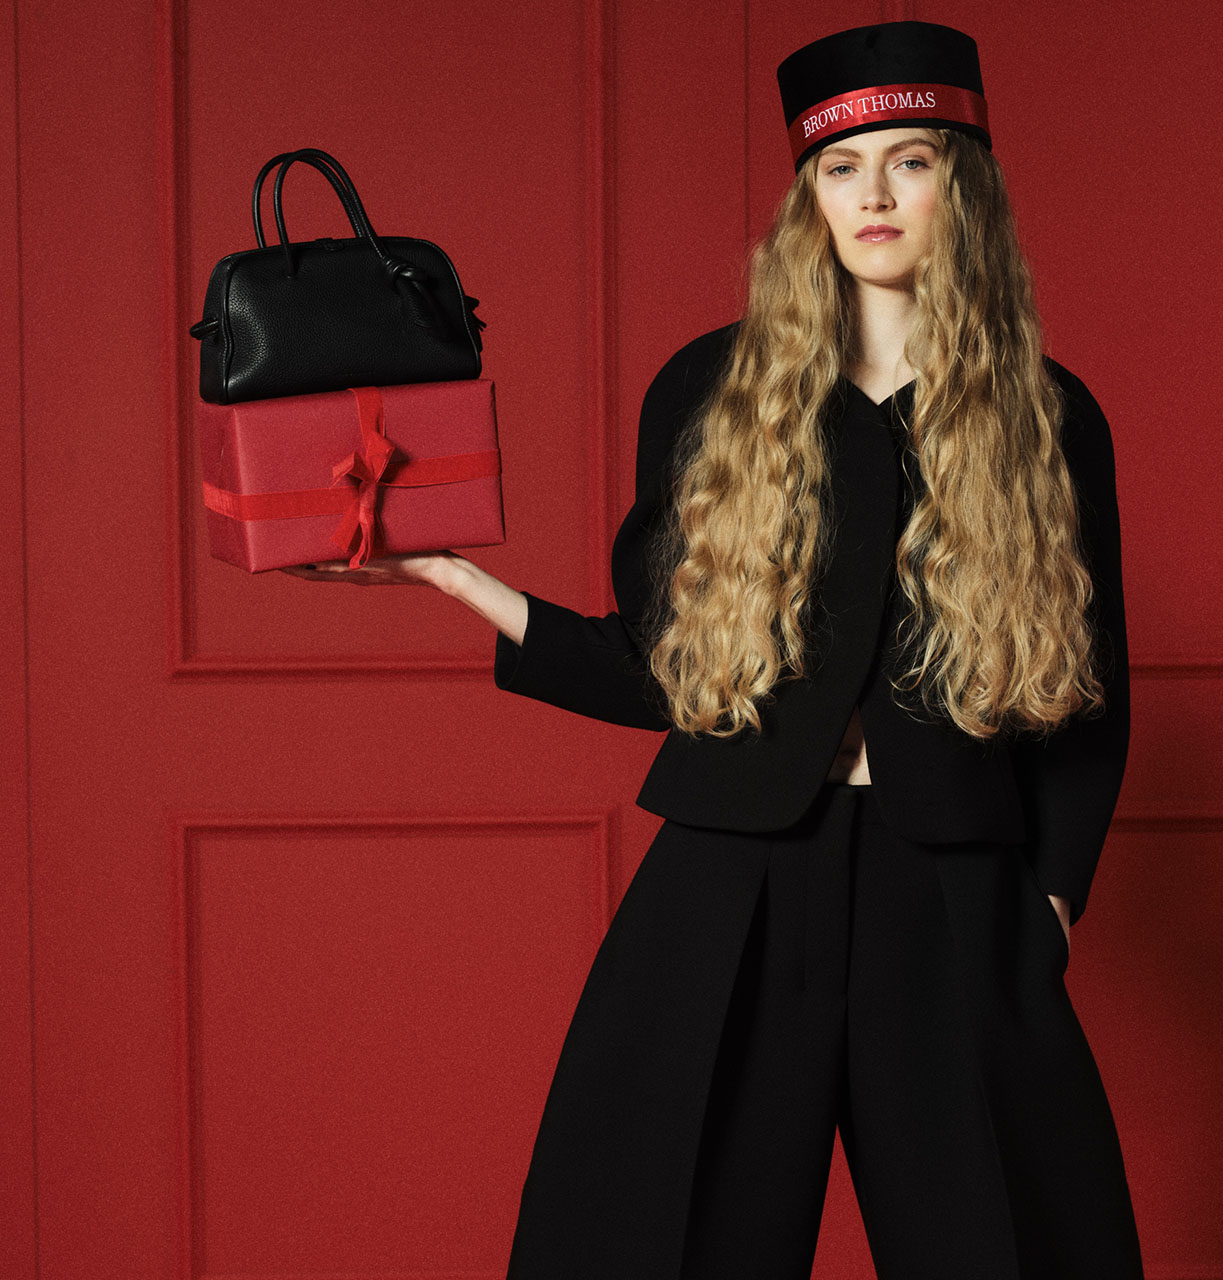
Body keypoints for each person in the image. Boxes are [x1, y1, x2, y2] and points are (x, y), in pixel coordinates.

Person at [288, 19, 1145, 1280]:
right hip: (733, 878)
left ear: (959, 189)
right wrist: (452, 577)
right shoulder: (709, 393)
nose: (872, 196)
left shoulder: (1051, 416)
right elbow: (663, 672)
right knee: (654, 1234)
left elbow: (1088, 700)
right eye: (841, 167)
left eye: (908, 162)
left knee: (1011, 1244)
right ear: (808, 198)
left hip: (954, 888)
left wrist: (1052, 902)